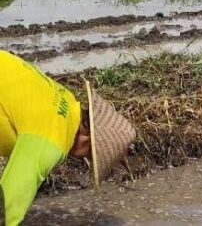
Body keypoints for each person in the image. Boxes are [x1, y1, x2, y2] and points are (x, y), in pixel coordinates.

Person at [0, 50, 135, 225]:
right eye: (87, 155)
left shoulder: (66, 99)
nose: (79, 158)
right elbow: (9, 202)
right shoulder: (52, 139)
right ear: (86, 139)